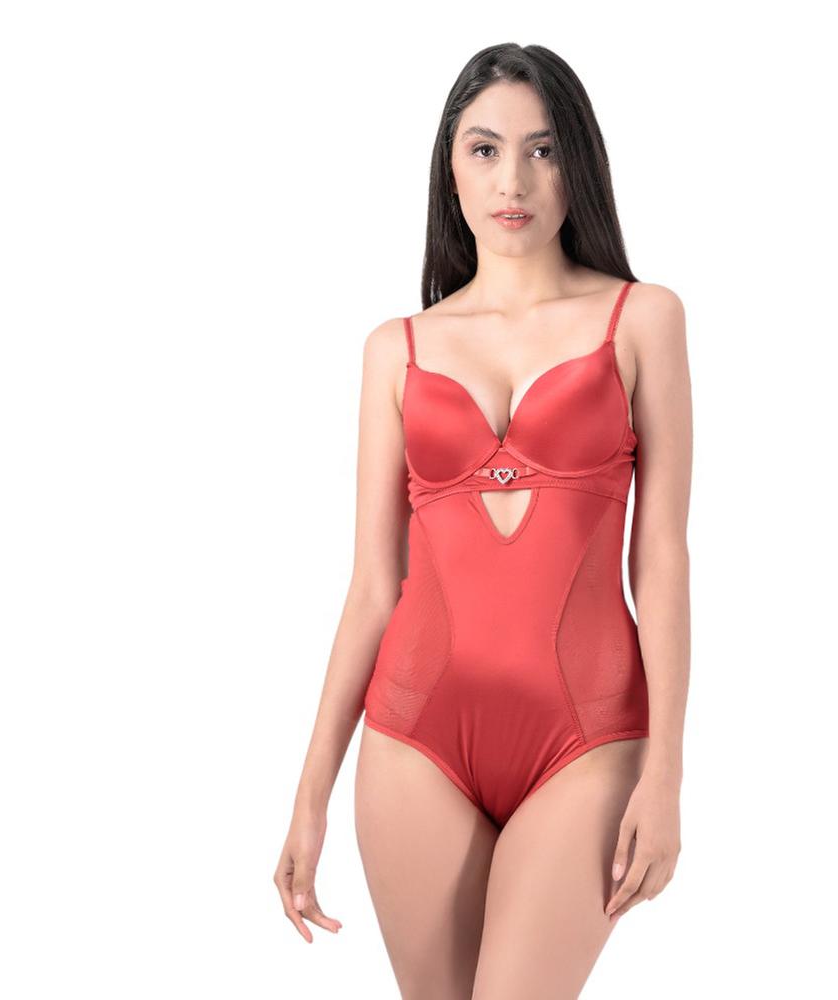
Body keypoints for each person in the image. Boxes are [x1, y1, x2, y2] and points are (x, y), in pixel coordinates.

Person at [274, 42, 692, 999]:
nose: (513, 181)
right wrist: (309, 795)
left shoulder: (643, 320)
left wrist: (666, 772)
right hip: (412, 740)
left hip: (588, 741)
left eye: (543, 150)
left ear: (578, 164)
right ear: (450, 169)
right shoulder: (397, 349)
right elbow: (373, 587)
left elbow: (661, 559)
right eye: (485, 149)